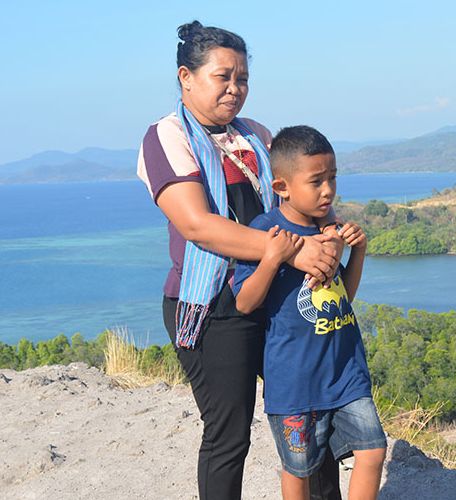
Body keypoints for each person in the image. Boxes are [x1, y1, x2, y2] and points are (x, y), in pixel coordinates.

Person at [136, 21, 345, 500]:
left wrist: (328, 231)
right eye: (222, 77)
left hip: (275, 296)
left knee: (312, 410)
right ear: (186, 77)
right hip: (214, 307)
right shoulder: (166, 138)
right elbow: (197, 225)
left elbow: (295, 197)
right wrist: (295, 249)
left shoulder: (256, 135)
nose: (235, 89)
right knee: (230, 435)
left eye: (243, 79)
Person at [231, 125, 387, 500]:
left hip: (345, 370)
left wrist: (357, 252)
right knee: (298, 469)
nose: (328, 190)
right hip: (294, 381)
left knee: (374, 450)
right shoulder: (266, 231)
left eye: (332, 178)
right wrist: (272, 259)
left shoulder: (329, 227)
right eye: (316, 181)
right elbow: (244, 303)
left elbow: (343, 295)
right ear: (281, 187)